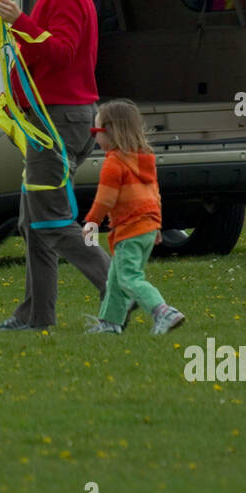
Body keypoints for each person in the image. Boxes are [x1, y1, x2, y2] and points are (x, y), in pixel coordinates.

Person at [0, 0, 111, 331]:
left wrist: (19, 21)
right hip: (53, 117)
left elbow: (59, 53)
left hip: (59, 119)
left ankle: (121, 294)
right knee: (33, 220)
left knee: (53, 222)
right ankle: (37, 316)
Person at [81, 99, 186, 336]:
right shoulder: (143, 159)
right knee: (115, 281)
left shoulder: (114, 163)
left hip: (130, 230)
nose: (94, 137)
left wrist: (91, 222)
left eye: (96, 131)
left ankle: (163, 311)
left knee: (129, 278)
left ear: (111, 132)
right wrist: (156, 225)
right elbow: (154, 195)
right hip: (147, 227)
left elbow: (105, 200)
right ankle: (110, 323)